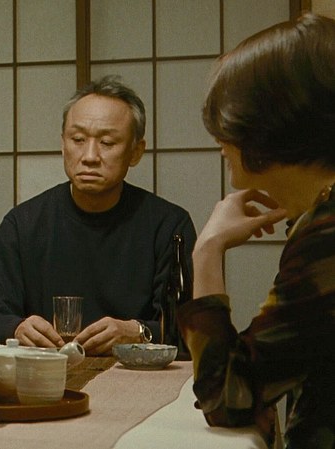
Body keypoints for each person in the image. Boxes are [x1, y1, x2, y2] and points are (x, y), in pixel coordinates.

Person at [177, 13, 335, 449]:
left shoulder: (327, 237)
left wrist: (207, 250)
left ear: (270, 124)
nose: (220, 141)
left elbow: (228, 397)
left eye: (228, 124)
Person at [0, 75, 197, 355]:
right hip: (45, 373)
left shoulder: (169, 226)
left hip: (136, 373)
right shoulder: (23, 224)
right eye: (78, 139)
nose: (89, 156)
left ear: (136, 151)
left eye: (107, 142)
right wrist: (16, 328)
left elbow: (191, 330)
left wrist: (139, 331)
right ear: (63, 144)